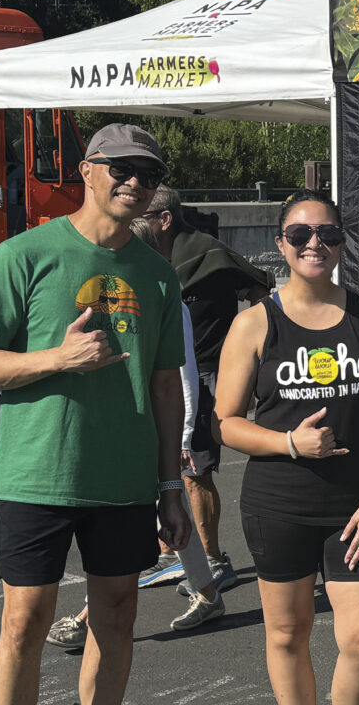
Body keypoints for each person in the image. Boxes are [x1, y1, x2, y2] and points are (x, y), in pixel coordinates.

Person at [0, 123, 192, 705]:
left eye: (147, 173)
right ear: (86, 171)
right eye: (120, 167)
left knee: (115, 616)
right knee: (25, 622)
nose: (135, 182)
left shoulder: (155, 273)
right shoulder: (25, 253)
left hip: (122, 477)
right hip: (37, 471)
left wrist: (171, 484)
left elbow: (164, 384)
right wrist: (54, 358)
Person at [214, 191, 359, 705]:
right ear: (281, 245)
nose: (314, 244)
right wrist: (290, 443)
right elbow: (225, 422)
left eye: (327, 233)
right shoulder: (255, 323)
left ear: (343, 242)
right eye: (299, 235)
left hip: (357, 509)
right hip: (279, 503)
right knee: (287, 635)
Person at [45, 213, 227, 646]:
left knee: (137, 524)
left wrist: (181, 438)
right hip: (129, 428)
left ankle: (88, 617)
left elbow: (180, 378)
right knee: (174, 521)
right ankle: (207, 593)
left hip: (151, 431)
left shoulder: (168, 299)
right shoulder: (117, 300)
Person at [137, 185, 270, 597]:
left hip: (206, 376)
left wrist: (247, 348)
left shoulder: (210, 253)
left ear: (165, 219)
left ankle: (213, 558)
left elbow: (261, 290)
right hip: (161, 374)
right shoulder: (146, 260)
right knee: (164, 467)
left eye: (146, 211)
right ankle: (169, 554)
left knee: (195, 471)